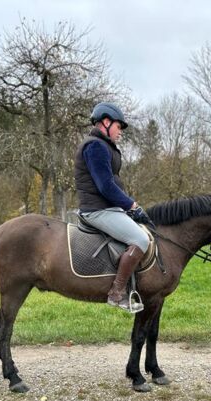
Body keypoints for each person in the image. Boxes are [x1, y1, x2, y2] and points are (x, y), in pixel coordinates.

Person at [74, 102, 154, 313]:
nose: (120, 132)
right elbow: (105, 185)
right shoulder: (96, 146)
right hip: (97, 210)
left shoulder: (104, 146)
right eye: (119, 126)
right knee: (141, 239)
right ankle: (117, 294)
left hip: (107, 208)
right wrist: (131, 205)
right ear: (106, 122)